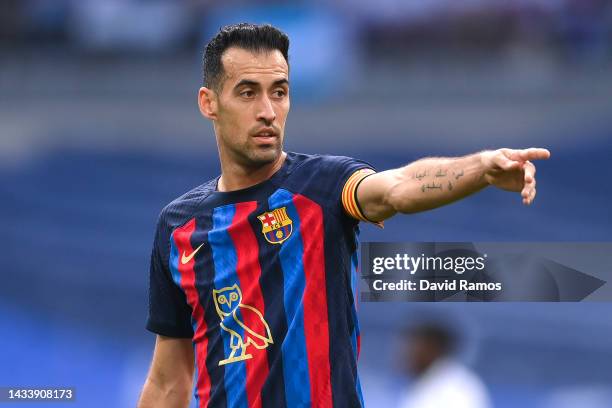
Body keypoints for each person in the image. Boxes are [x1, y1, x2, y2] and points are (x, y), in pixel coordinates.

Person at [138, 23, 550, 408]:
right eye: (248, 93)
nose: (267, 110)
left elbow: (398, 188)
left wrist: (480, 169)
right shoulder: (179, 227)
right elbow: (169, 380)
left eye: (279, 91)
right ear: (209, 103)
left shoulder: (324, 186)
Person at [397, 323, 491, 408]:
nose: (406, 353)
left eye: (413, 347)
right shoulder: (427, 381)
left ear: (432, 348)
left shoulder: (456, 388)